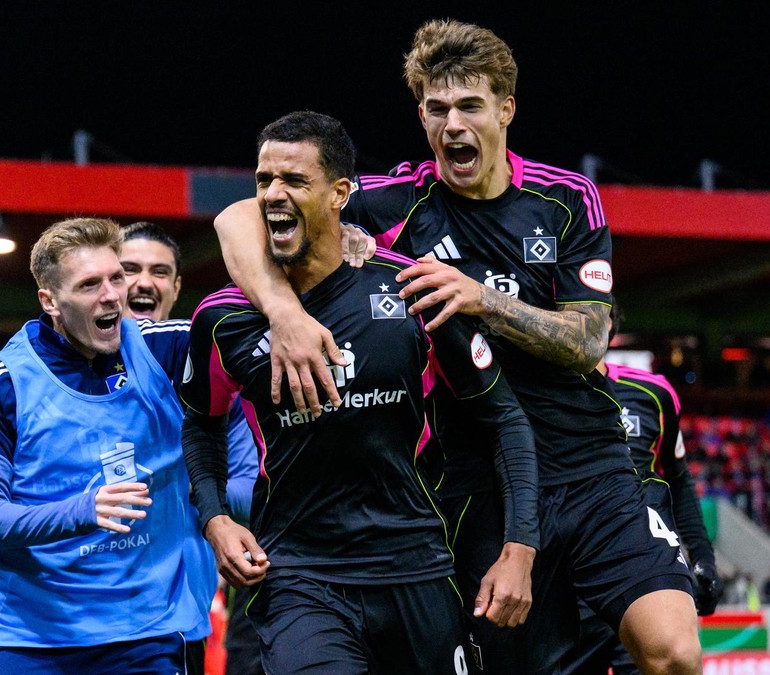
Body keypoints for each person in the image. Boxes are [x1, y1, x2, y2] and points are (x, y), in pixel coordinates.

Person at [212, 20, 701, 674]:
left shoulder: (564, 200)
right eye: (437, 110)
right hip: (475, 476)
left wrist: (482, 297)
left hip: (588, 463)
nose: (452, 125)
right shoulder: (392, 206)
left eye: (470, 106)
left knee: (674, 652)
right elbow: (238, 217)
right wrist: (283, 312)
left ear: (506, 109)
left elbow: (589, 341)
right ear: (420, 115)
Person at [183, 111, 539, 674]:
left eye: (294, 182)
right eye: (263, 181)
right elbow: (202, 424)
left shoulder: (413, 291)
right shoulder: (223, 318)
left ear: (340, 194)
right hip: (300, 576)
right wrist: (214, 518)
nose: (273, 195)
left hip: (417, 566)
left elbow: (504, 420)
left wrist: (520, 548)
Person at [0, 217, 212, 674]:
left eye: (116, 277)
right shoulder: (3, 383)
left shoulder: (159, 350)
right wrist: (83, 510)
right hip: (27, 638)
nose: (113, 294)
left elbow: (255, 316)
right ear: (50, 301)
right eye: (90, 284)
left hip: (142, 633)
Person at [120, 220, 260, 674]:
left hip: (177, 620)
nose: (144, 282)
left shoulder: (213, 380)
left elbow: (247, 487)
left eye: (159, 272)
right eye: (129, 270)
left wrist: (178, 493)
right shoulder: (65, 378)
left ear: (176, 287)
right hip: (81, 616)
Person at [568, 309, 722, 674]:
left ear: (610, 325)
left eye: (598, 313)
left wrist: (702, 557)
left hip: (645, 569)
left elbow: (679, 480)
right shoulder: (543, 395)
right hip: (575, 575)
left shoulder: (653, 393)